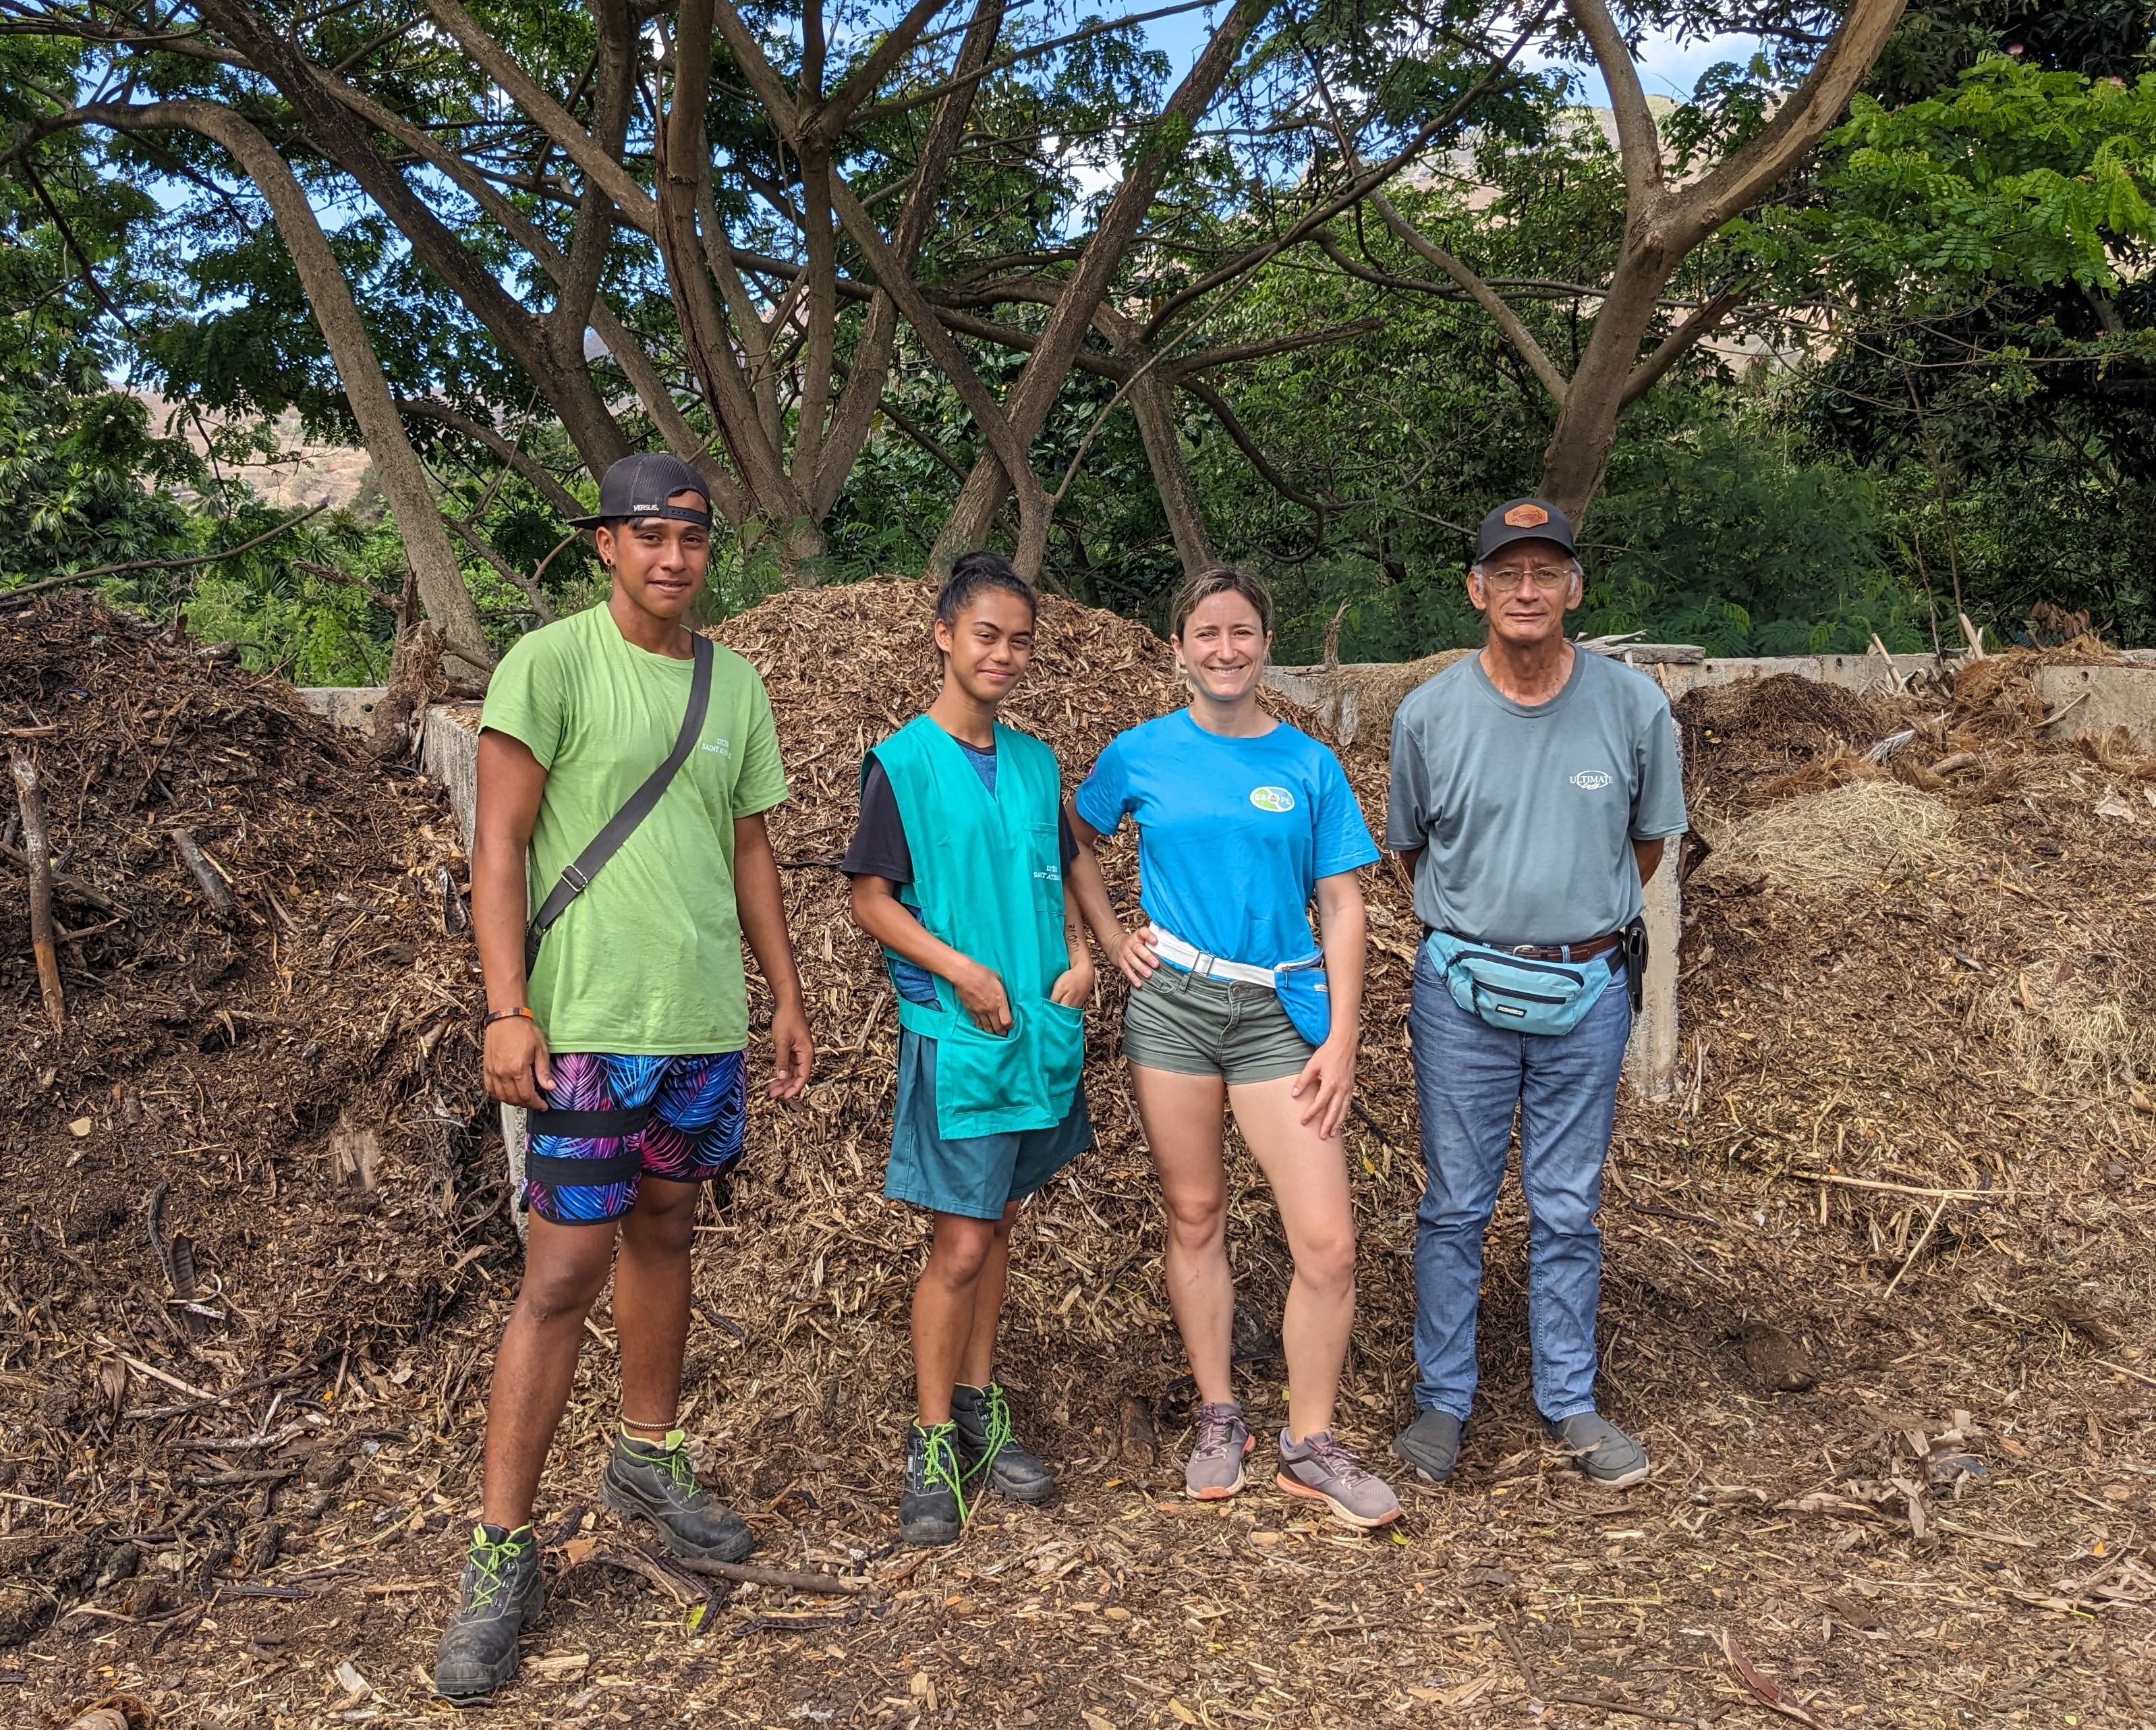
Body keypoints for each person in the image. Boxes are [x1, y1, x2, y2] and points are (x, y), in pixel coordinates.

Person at [434, 453, 814, 1699]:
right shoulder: (548, 664)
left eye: (692, 536)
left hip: (698, 1029)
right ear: (607, 545)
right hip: (586, 1028)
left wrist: (787, 996)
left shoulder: (735, 681)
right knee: (560, 1274)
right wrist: (506, 1008)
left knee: (666, 1235)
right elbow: (497, 847)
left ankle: (648, 1457)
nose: (673, 556)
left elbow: (750, 850)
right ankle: (501, 1552)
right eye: (649, 534)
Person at [1067, 565, 1400, 1530]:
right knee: (1197, 1213)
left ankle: (1310, 1440)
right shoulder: (1140, 752)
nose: (1225, 649)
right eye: (1206, 633)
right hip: (1172, 1007)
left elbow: (1343, 901)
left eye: (1242, 633)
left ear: (1265, 645)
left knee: (1329, 1244)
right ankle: (1221, 1415)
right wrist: (1103, 927)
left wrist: (1344, 1034)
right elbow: (1071, 835)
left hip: (1278, 1015)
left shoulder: (1307, 765)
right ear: (1178, 648)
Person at [1386, 498, 1686, 1491]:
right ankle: (1443, 1402)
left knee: (1566, 1208)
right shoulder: (1427, 716)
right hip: (1463, 991)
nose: (1526, 589)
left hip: (1588, 989)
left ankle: (1571, 1402)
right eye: (1506, 573)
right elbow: (1415, 850)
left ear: (1574, 589)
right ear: (1476, 590)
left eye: (1545, 572)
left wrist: (1572, 925)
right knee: (1456, 1206)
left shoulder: (1634, 707)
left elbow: (1646, 844)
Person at [844, 553, 1095, 1546]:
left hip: (1035, 1035)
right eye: (987, 634)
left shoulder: (1038, 764)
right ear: (944, 634)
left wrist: (1082, 953)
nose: (1004, 654)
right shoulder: (902, 764)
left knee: (1000, 1223)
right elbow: (870, 901)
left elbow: (1068, 871)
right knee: (958, 1242)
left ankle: (984, 1411)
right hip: (963, 1035)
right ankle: (933, 1437)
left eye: (1020, 640)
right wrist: (964, 971)